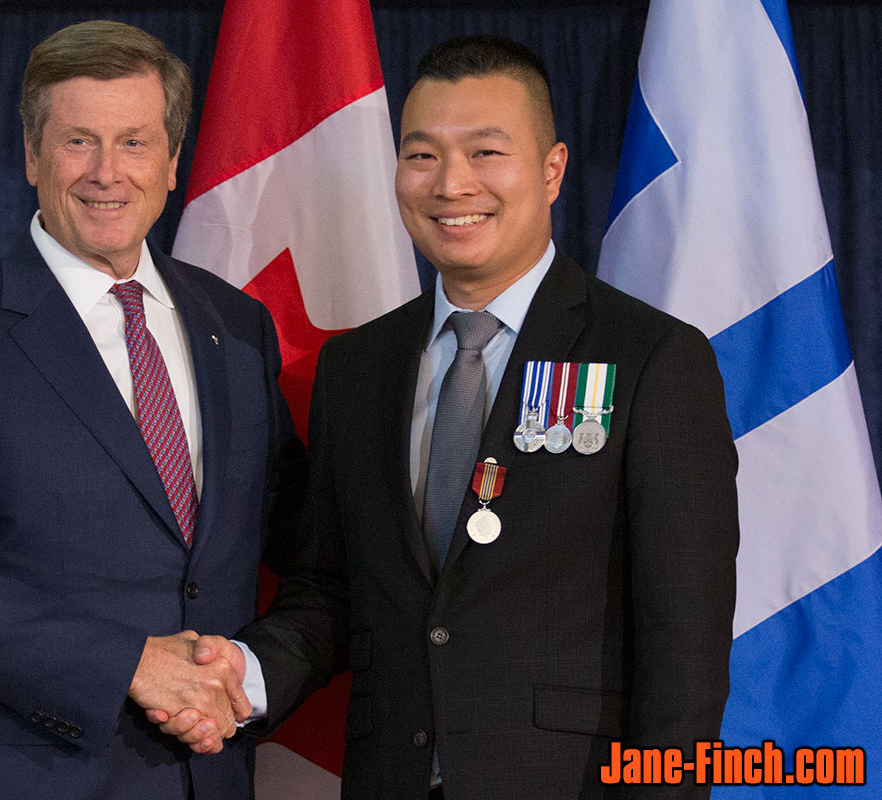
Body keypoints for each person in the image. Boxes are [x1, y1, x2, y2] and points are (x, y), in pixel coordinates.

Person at [158, 35, 739, 799]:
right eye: (422, 155)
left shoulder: (652, 358)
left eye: (487, 152)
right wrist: (248, 674)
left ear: (552, 169)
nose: (451, 184)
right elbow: (333, 590)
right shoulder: (356, 369)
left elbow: (685, 651)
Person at [0, 20, 302, 800]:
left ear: (170, 162)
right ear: (32, 156)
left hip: (208, 774)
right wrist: (128, 663)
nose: (106, 173)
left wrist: (247, 675)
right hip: (20, 775)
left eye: (134, 142)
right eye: (77, 142)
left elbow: (297, 540)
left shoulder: (235, 325)